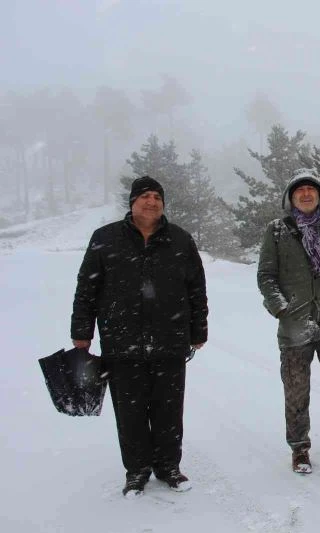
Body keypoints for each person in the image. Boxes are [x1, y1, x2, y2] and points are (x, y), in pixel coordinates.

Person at [71, 175, 208, 497]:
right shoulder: (105, 238)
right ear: (132, 203)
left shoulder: (180, 240)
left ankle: (168, 467)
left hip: (170, 341)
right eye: (144, 196)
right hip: (122, 341)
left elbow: (196, 289)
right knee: (130, 411)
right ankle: (136, 470)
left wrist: (198, 330)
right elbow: (86, 289)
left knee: (169, 409)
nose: (151, 201)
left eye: (157, 196)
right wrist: (82, 333)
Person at [257, 168, 320, 474]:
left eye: (311, 190)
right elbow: (266, 276)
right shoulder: (277, 231)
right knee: (296, 391)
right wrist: (280, 308)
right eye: (299, 190)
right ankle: (300, 449)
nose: (305, 194)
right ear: (290, 198)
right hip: (295, 324)